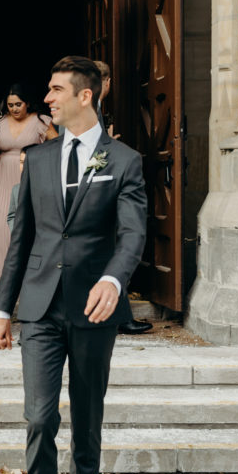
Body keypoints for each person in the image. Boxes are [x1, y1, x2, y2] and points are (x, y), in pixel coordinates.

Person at [0, 56, 147, 474]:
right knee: (38, 421)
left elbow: (131, 235)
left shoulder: (124, 160)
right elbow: (21, 239)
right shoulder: (38, 158)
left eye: (56, 90)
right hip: (40, 310)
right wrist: (1, 308)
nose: (47, 98)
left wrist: (115, 280)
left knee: (88, 427)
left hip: (94, 312)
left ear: (86, 95)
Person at [93, 60, 152, 336]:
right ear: (107, 82)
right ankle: (118, 316)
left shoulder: (94, 109)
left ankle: (119, 314)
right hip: (98, 192)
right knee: (115, 247)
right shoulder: (91, 109)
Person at [0, 84, 58, 273]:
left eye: (18, 104)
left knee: (24, 226)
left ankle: (27, 277)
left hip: (29, 175)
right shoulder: (1, 122)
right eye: (11, 105)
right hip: (1, 177)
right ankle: (1, 277)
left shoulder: (41, 121)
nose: (14, 109)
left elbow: (56, 146)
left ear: (27, 103)